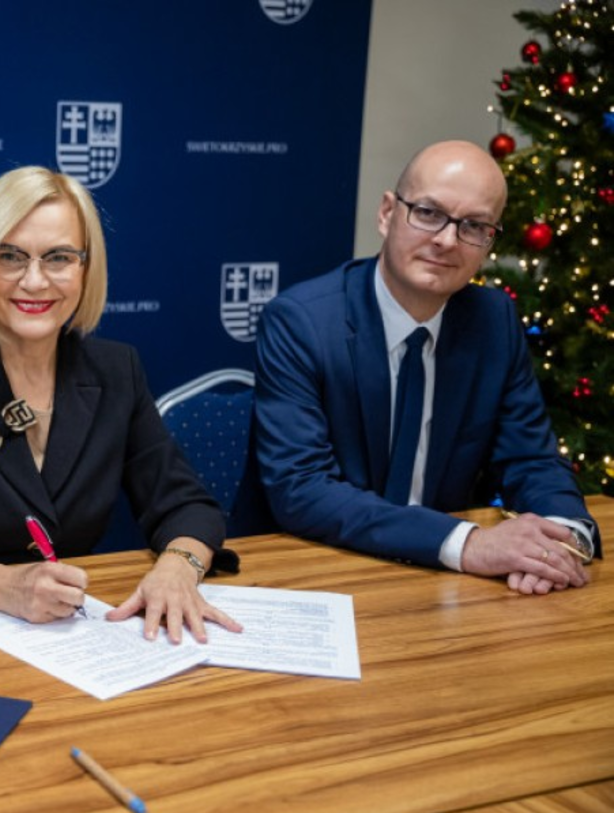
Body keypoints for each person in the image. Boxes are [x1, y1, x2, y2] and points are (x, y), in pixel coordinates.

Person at [0, 166, 241, 643]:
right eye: (10, 257)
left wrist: (178, 568)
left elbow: (186, 504)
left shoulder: (117, 370)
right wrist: (1, 586)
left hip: (76, 634)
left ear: (85, 269)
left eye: (58, 258)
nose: (34, 281)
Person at [254, 140, 599, 594]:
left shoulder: (493, 320)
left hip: (442, 588)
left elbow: (531, 459)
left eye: (473, 225)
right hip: (324, 571)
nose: (446, 240)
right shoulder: (303, 322)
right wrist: (467, 543)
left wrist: (562, 539)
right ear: (387, 213)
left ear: (490, 241)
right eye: (429, 213)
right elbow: (302, 489)